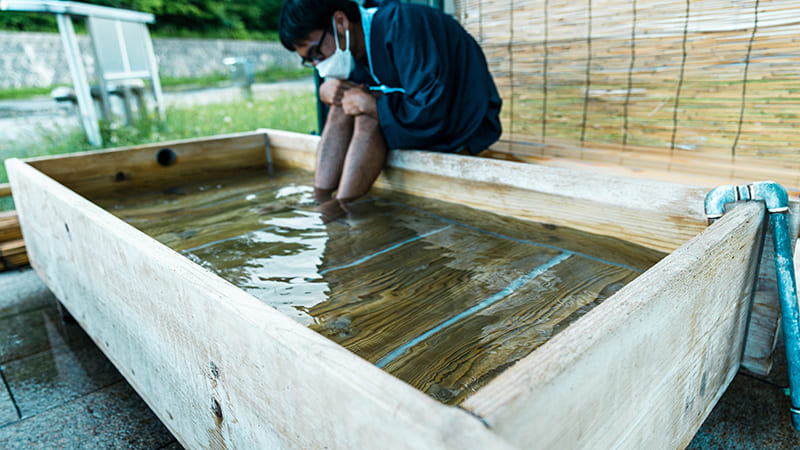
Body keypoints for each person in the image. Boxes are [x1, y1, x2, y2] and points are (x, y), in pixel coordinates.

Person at [278, 0, 502, 206]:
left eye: (317, 52)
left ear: (340, 21)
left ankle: (341, 208)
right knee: (343, 103)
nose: (319, 64)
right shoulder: (355, 44)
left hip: (461, 123)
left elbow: (432, 107)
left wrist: (370, 105)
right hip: (418, 120)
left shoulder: (403, 24)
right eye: (311, 61)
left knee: (366, 116)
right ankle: (319, 197)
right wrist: (328, 89)